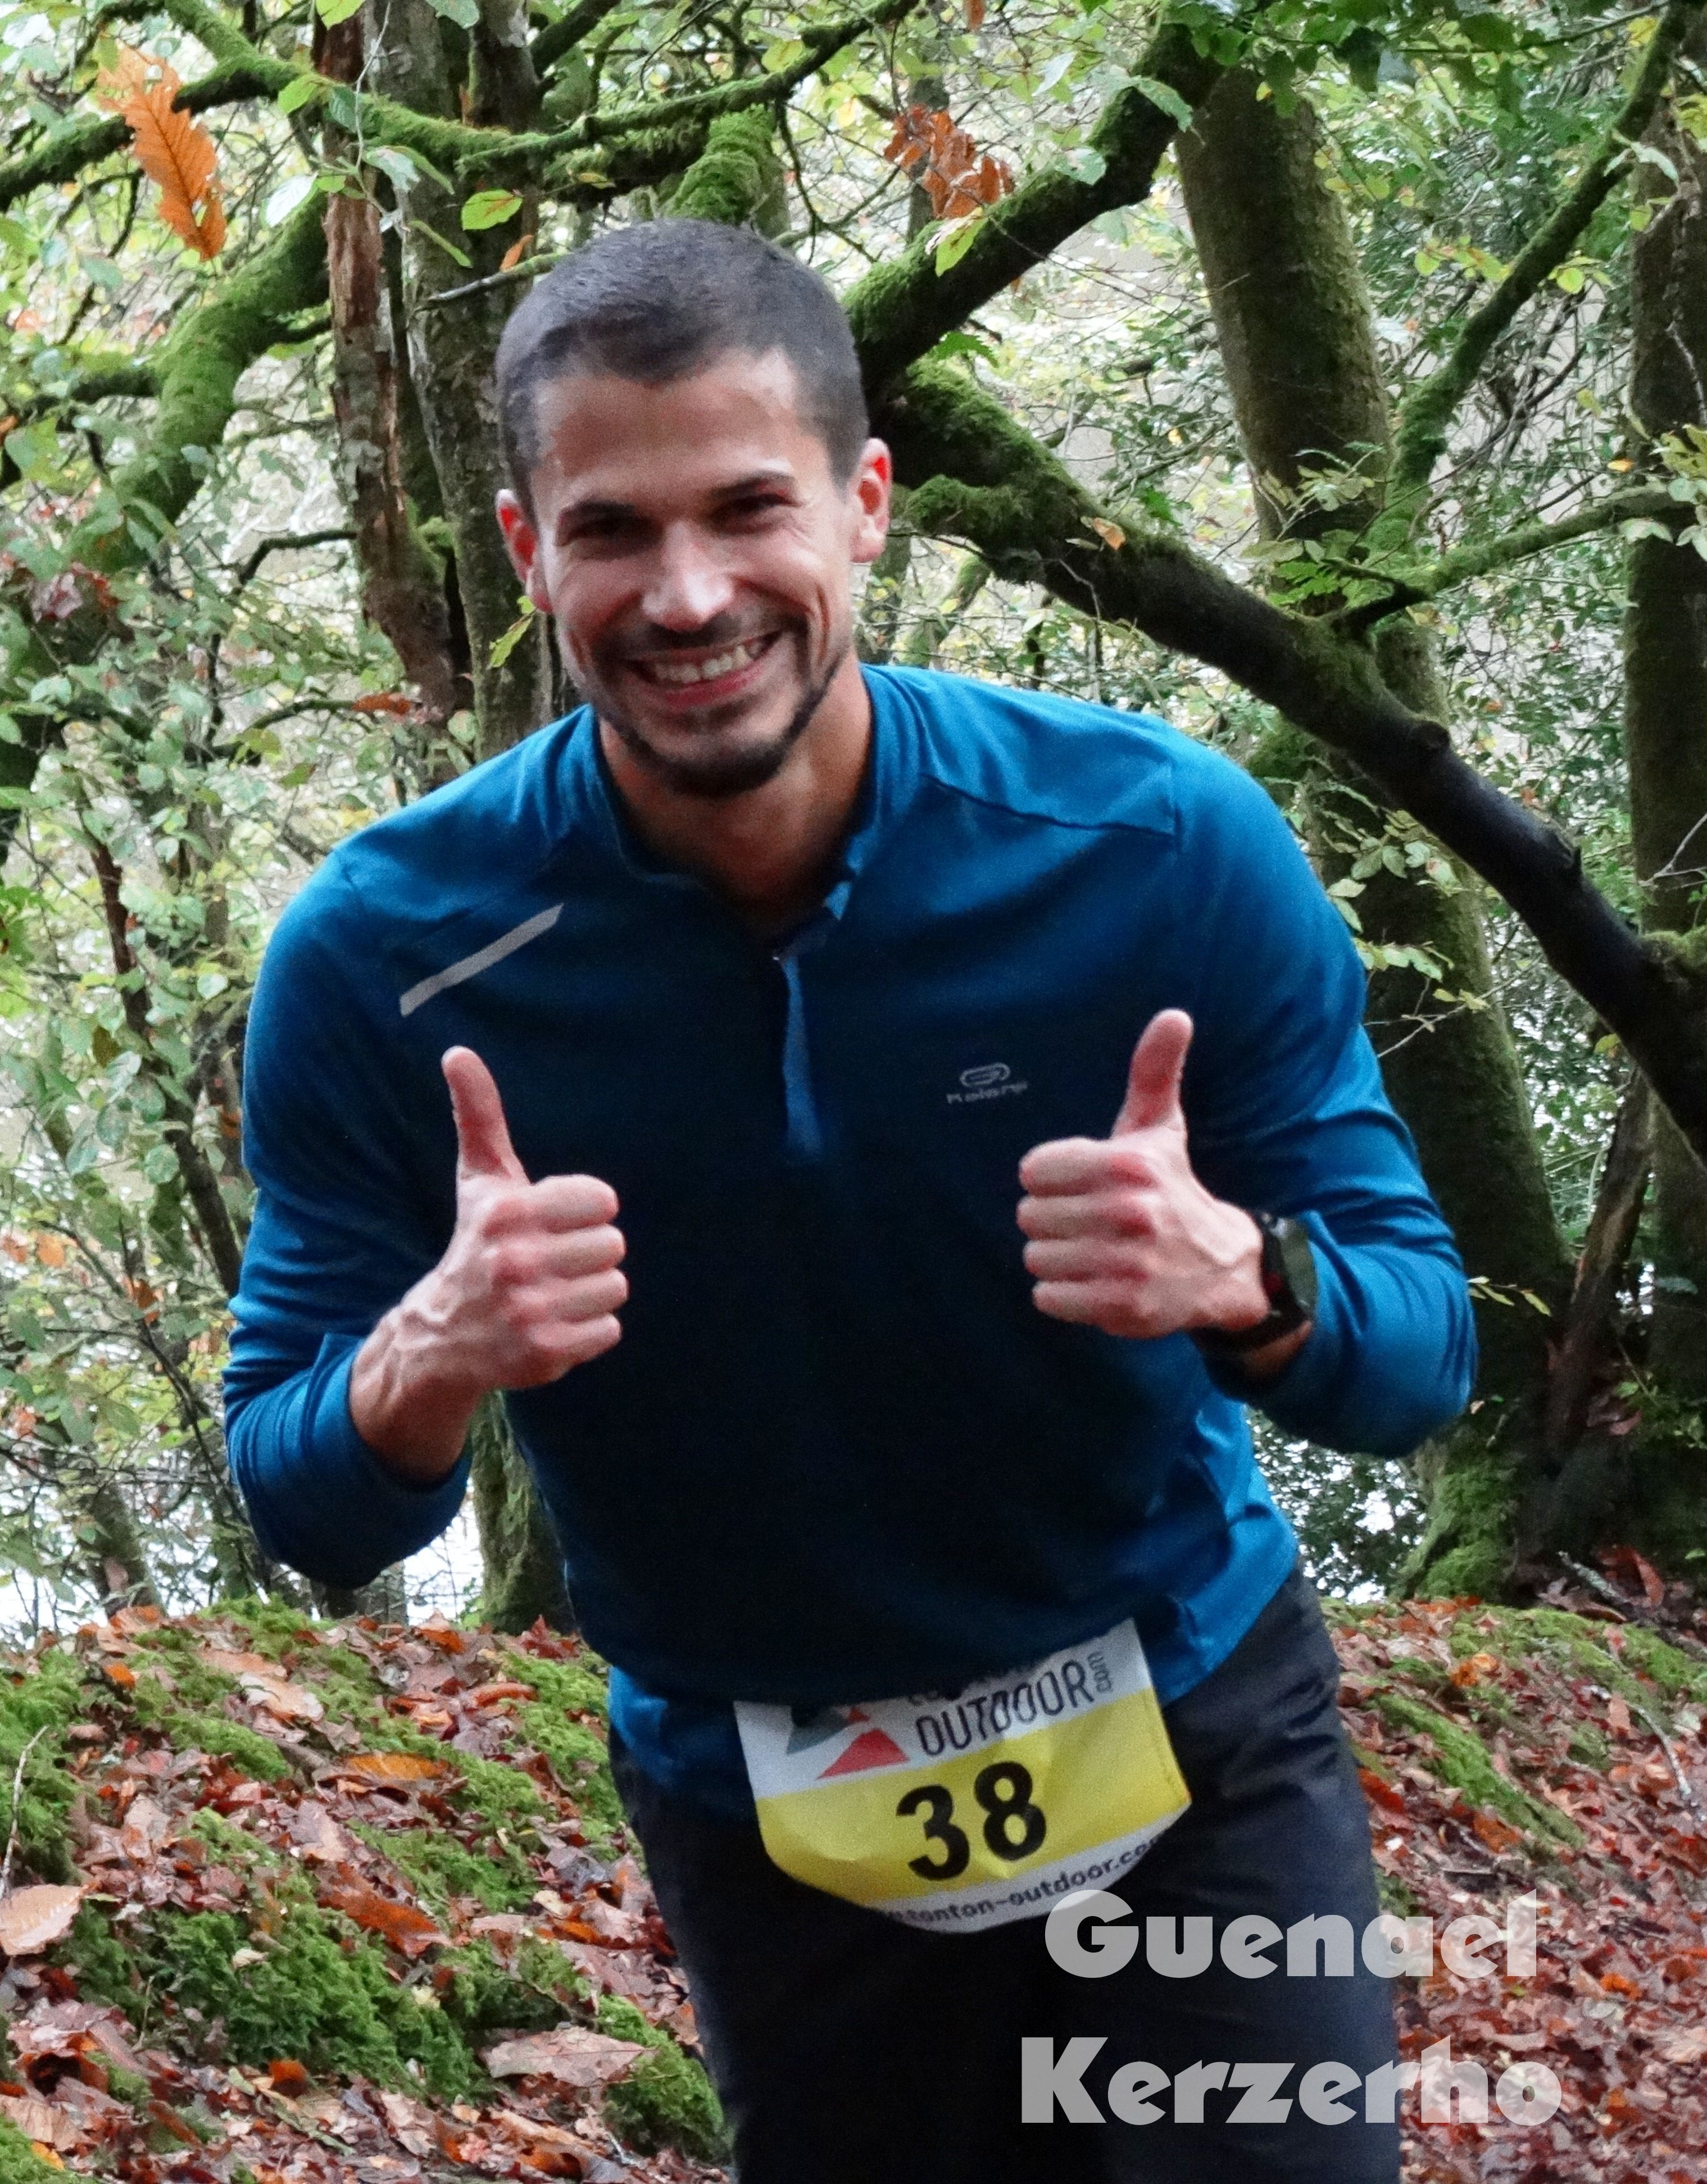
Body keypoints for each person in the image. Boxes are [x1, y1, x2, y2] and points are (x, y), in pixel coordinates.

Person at [223, 219, 1474, 2182]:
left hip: (1192, 1735)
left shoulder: (1153, 846)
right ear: (527, 548)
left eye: (750, 509)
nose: (689, 595)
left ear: (866, 502)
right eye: (613, 531)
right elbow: (300, 1495)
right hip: (775, 1821)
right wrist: (429, 1360)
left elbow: (1424, 1351)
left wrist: (1253, 1278)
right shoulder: (385, 955)